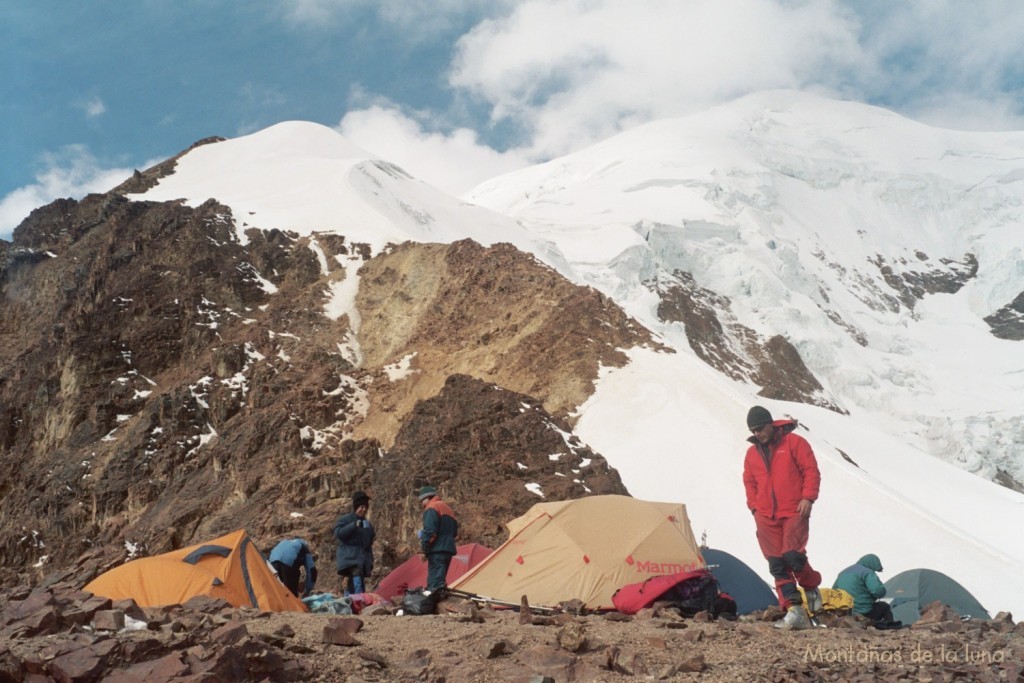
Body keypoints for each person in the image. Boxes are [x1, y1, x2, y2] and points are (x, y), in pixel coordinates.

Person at [742, 405, 823, 630]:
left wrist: (808, 497)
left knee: (793, 556)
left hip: (794, 510)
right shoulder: (752, 454)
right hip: (766, 515)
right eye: (753, 430)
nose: (757, 433)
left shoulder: (794, 443)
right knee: (777, 564)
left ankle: (810, 584)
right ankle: (794, 609)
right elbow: (749, 481)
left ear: (771, 424)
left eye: (760, 428)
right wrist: (754, 507)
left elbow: (811, 471)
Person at [833, 554, 898, 627]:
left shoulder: (843, 573)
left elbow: (834, 591)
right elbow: (877, 591)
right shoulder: (867, 572)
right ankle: (891, 627)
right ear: (871, 564)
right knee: (884, 606)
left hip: (845, 611)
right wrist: (881, 591)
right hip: (864, 610)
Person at [417, 485, 459, 592]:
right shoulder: (448, 509)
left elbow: (430, 532)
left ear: (427, 498)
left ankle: (434, 605)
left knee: (435, 584)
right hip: (448, 549)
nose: (422, 504)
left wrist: (424, 550)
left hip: (437, 550)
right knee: (440, 581)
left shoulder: (431, 508)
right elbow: (454, 532)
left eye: (422, 500)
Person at [333, 490, 375, 596]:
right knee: (356, 578)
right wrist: (353, 525)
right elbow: (339, 533)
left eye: (365, 507)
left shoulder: (368, 525)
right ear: (356, 507)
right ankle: (357, 600)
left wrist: (370, 562)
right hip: (349, 558)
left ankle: (353, 602)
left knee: (357, 581)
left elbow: (368, 545)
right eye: (361, 507)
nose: (363, 510)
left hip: (361, 560)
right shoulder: (346, 520)